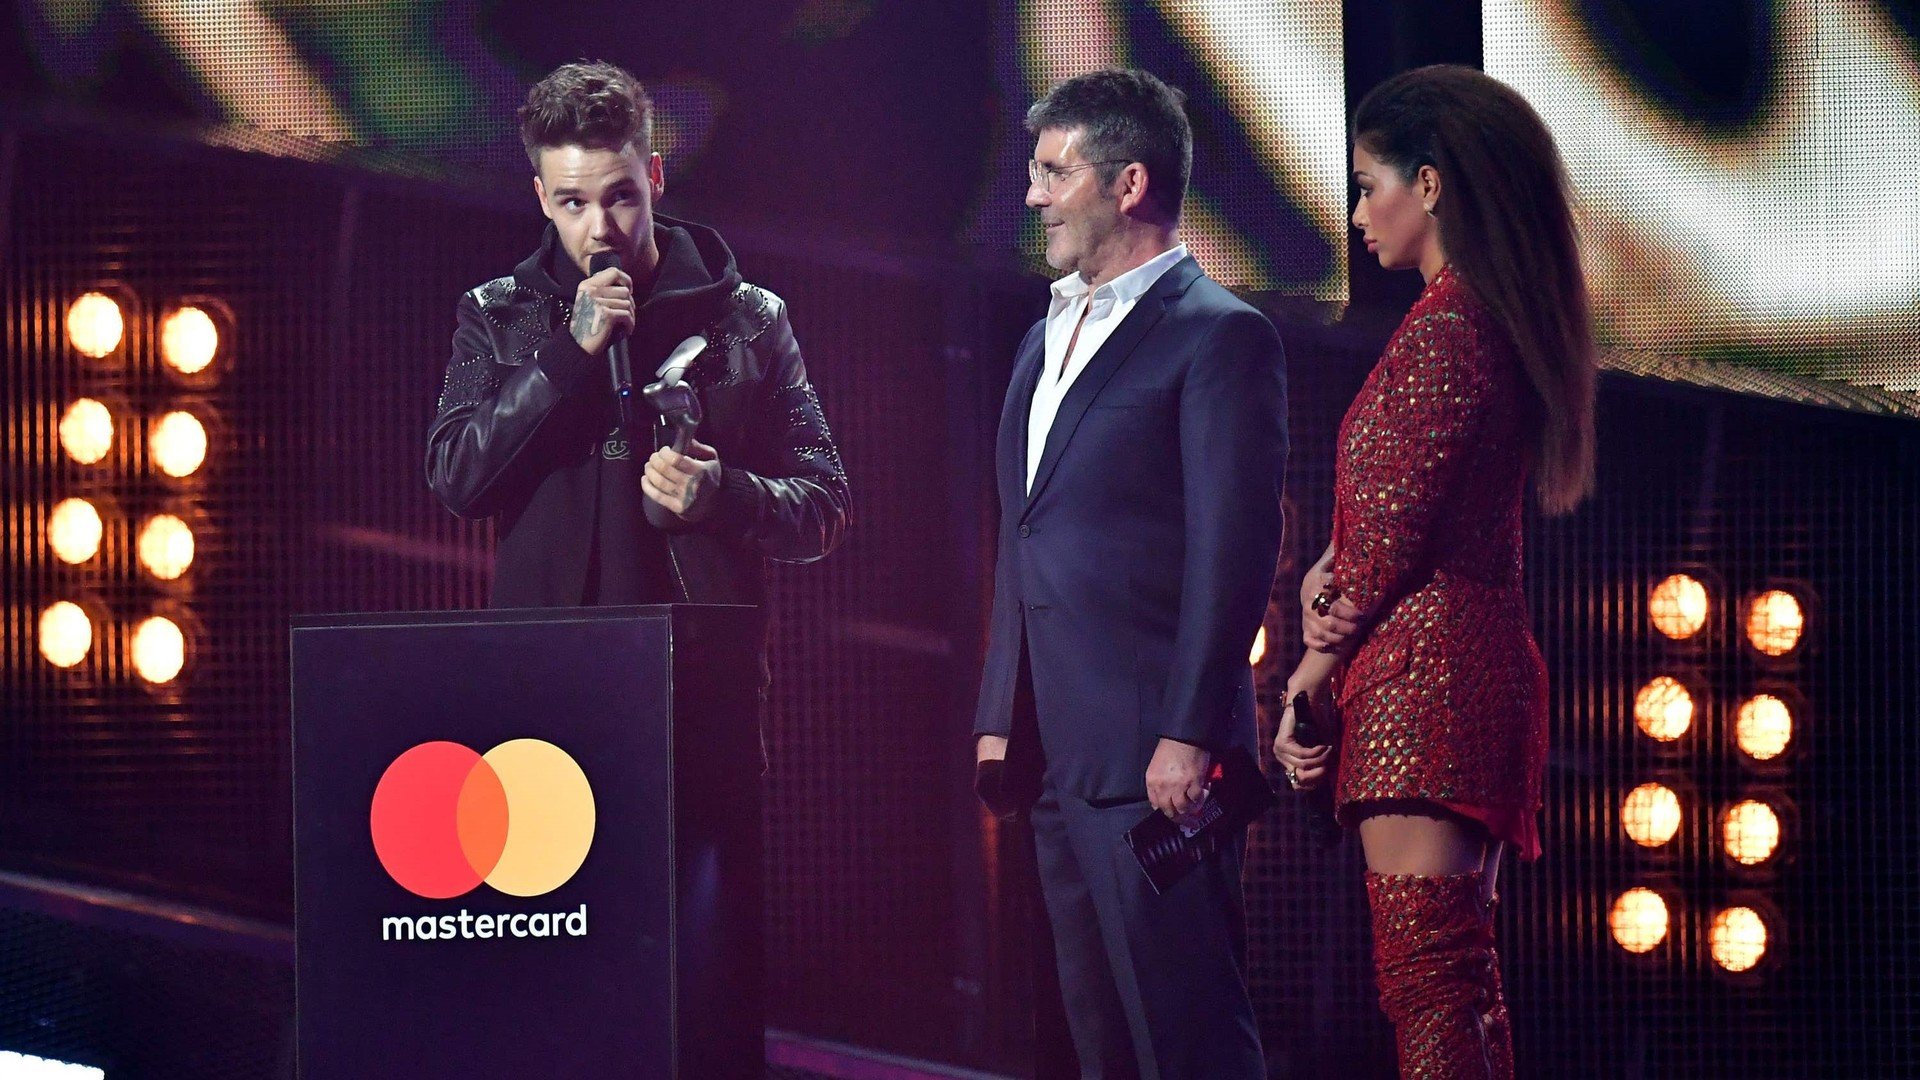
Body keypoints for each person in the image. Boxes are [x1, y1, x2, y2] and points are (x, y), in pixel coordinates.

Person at [1272, 64, 1597, 1079]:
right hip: (1456, 671)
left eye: (1370, 185)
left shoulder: (1453, 330)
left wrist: (1306, 680)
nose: (1360, 212)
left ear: (1432, 182)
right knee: (1453, 986)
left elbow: (1379, 547)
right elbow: (1371, 527)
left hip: (1430, 685)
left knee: (1432, 985)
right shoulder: (1472, 322)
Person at [971, 68, 1286, 1079]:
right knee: (1101, 1041)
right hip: (1060, 760)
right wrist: (997, 713)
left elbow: (1234, 552)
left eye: (1053, 172)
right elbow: (1025, 538)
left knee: (1188, 1040)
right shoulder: (1040, 337)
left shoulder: (1221, 337)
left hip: (1160, 767)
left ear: (1129, 184)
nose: (1032, 196)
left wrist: (1189, 735)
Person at [425, 61, 848, 686]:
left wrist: (722, 493)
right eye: (572, 202)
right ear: (542, 196)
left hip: (698, 680)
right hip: (545, 678)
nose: (600, 229)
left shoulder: (748, 318)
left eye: (620, 195)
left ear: (653, 177)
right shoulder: (498, 313)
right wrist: (568, 353)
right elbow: (457, 478)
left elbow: (824, 508)